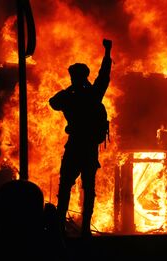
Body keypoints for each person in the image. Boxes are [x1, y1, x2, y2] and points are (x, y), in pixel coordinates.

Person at [49, 39, 112, 237]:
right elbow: (104, 76)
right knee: (88, 187)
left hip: (75, 146)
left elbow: (54, 102)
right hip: (88, 148)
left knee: (66, 186)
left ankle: (60, 227)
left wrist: (71, 88)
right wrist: (107, 52)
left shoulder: (70, 96)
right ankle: (84, 228)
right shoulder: (93, 94)